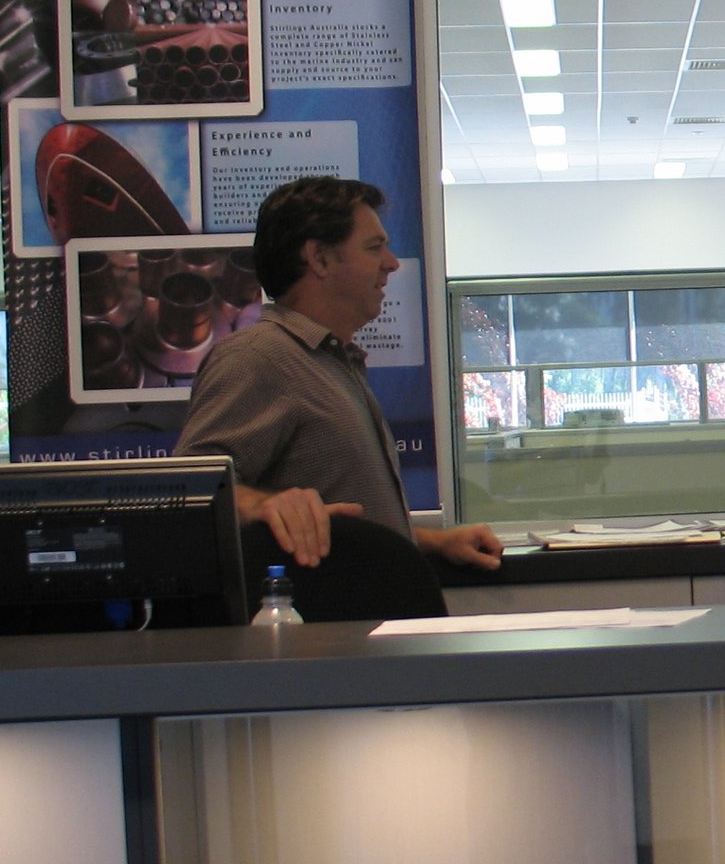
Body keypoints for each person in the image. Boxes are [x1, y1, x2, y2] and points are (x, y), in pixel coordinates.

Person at [176, 177, 503, 571]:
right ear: (320, 259)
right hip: (326, 632)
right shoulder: (259, 357)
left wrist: (433, 542)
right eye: (373, 247)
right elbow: (190, 490)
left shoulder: (331, 361)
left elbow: (341, 521)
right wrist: (265, 506)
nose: (392, 263)